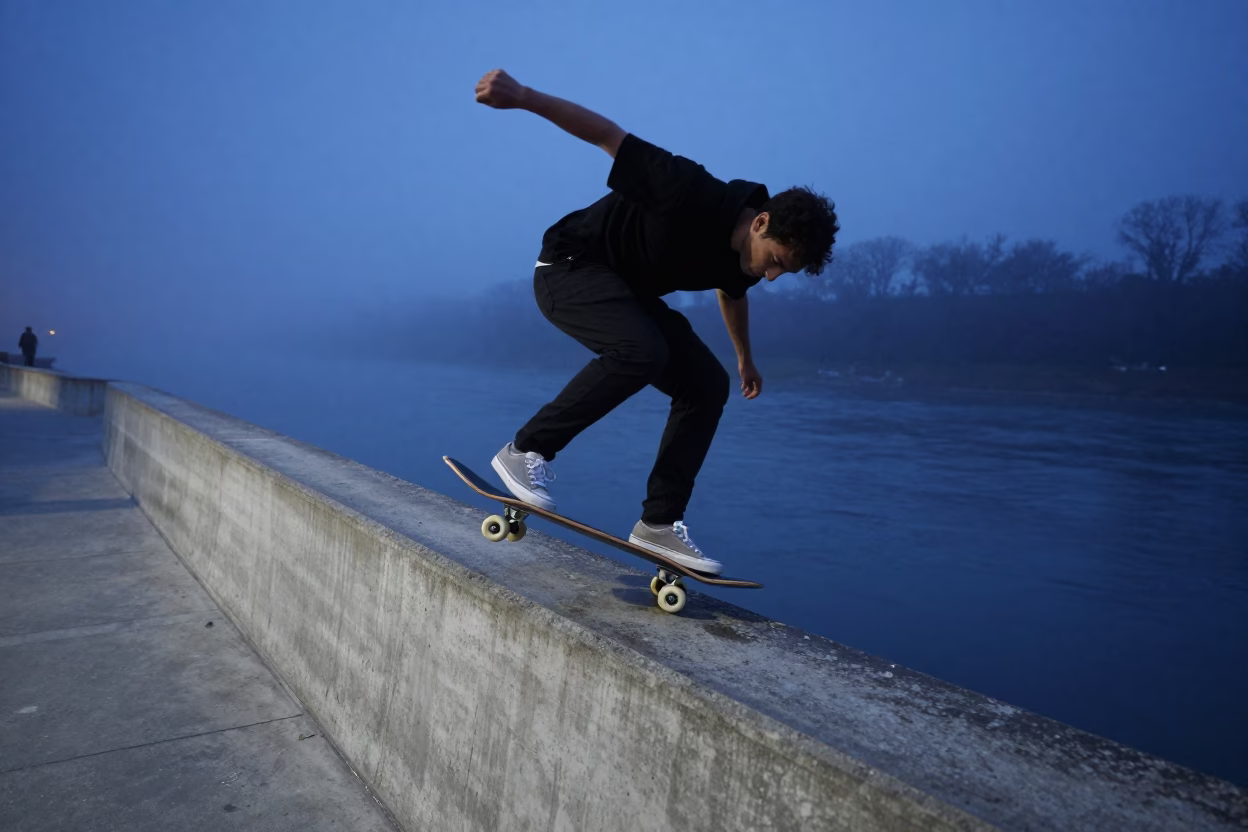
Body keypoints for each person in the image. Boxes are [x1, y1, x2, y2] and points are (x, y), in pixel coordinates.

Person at [474, 69, 839, 575]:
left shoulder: (747, 260)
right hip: (569, 268)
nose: (772, 276)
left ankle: (659, 524)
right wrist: (523, 97)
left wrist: (744, 359)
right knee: (642, 352)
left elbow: (732, 293)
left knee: (707, 385)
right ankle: (525, 450)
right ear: (760, 222)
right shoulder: (686, 189)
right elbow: (607, 135)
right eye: (775, 260)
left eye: (784, 271)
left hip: (627, 294)